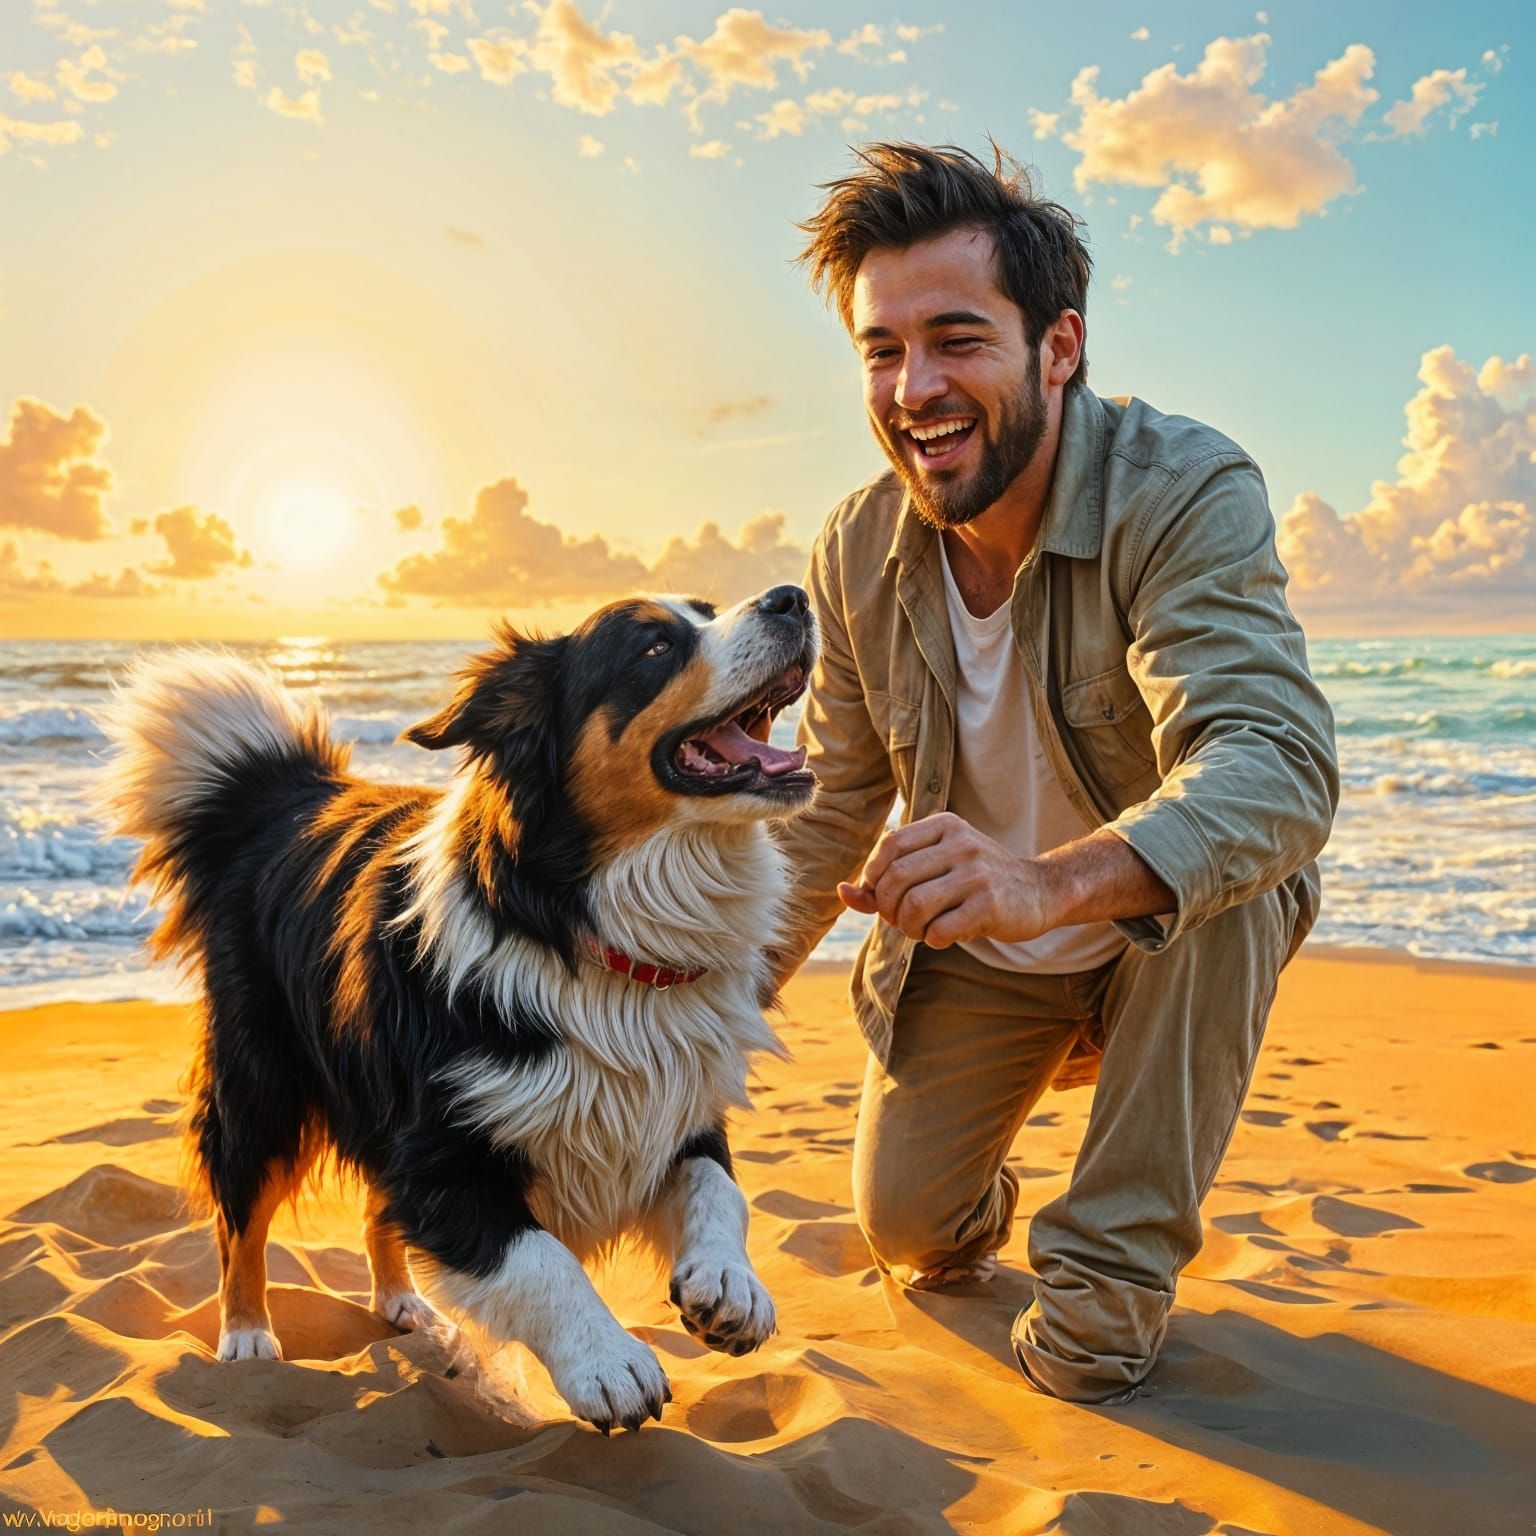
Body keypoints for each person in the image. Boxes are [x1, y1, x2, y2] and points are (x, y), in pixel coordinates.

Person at [772, 142, 1339, 1404]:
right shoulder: (859, 547)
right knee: (911, 1235)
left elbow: (1277, 759)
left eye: (958, 339)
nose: (915, 387)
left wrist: (1043, 885)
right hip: (980, 953)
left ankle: (1106, 1283)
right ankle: (1020, 1114)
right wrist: (695, 1007)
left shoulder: (1181, 486)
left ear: (1060, 347)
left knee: (1240, 875)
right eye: (882, 348)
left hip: (1152, 930)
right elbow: (831, 803)